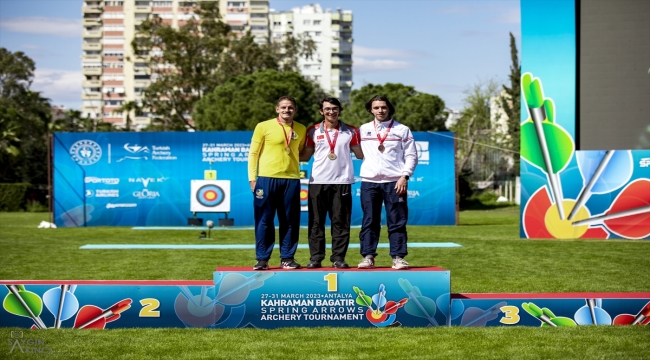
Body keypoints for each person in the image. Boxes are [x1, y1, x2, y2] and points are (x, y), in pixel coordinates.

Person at [300, 98, 364, 269]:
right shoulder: (312, 130)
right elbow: (305, 156)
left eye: (335, 109)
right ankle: (316, 258)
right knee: (316, 222)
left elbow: (360, 154)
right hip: (317, 182)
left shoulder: (351, 130)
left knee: (341, 222)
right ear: (321, 111)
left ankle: (338, 258)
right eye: (327, 109)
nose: (331, 112)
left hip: (342, 181)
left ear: (340, 110)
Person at [357, 95, 417, 270]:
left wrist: (404, 176)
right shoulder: (364, 129)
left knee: (397, 220)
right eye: (376, 108)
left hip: (394, 182)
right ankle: (368, 256)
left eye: (383, 107)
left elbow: (411, 155)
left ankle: (398, 257)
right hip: (369, 181)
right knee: (370, 220)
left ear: (389, 108)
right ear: (371, 110)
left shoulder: (402, 129)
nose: (380, 111)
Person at [248, 96, 307, 270]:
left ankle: (287, 258)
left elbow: (301, 152)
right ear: (277, 109)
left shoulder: (301, 129)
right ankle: (262, 259)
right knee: (264, 220)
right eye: (283, 107)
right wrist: (253, 178)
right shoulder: (263, 126)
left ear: (295, 110)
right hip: (266, 178)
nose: (287, 110)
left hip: (291, 179)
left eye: (290, 108)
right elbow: (253, 154)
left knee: (289, 220)